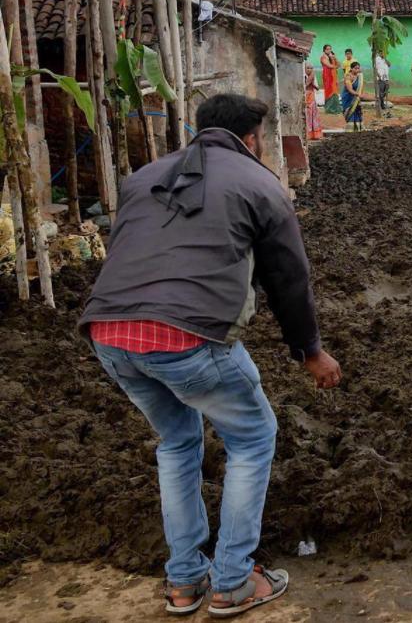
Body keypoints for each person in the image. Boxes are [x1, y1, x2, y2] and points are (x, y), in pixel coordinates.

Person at [81, 94, 342, 617]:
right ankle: (232, 580)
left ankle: (184, 582)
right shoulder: (260, 183)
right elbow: (289, 280)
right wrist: (310, 352)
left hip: (109, 333)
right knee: (252, 438)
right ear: (251, 139)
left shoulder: (143, 177)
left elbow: (130, 251)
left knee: (177, 442)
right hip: (188, 337)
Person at [343, 61, 365, 131]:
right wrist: (357, 94)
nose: (357, 70)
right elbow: (349, 89)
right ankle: (350, 130)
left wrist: (359, 96)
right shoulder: (348, 76)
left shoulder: (359, 76)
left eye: (358, 68)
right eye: (355, 68)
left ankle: (358, 129)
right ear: (351, 69)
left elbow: (360, 88)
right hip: (348, 98)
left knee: (357, 112)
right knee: (351, 112)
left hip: (356, 98)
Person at [304, 65, 323, 141]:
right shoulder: (306, 76)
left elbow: (316, 88)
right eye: (308, 68)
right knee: (308, 114)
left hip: (310, 96)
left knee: (311, 114)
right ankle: (310, 134)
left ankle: (312, 134)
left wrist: (312, 83)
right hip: (306, 95)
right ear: (304, 69)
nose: (310, 69)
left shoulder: (312, 76)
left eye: (311, 68)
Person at [319, 45, 339, 114]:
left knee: (335, 91)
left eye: (330, 49)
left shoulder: (332, 57)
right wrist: (335, 66)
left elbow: (339, 65)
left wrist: (335, 58)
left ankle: (335, 108)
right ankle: (329, 109)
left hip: (334, 75)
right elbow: (329, 66)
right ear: (324, 50)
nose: (329, 50)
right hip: (327, 76)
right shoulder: (323, 57)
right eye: (327, 49)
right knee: (329, 90)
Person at [373, 53, 392, 117]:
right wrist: (379, 76)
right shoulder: (376, 59)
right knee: (381, 92)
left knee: (385, 91)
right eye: (382, 52)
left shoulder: (385, 59)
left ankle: (382, 102)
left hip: (386, 78)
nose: (383, 54)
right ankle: (382, 105)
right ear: (380, 52)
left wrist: (385, 59)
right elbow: (375, 68)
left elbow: (389, 65)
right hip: (380, 78)